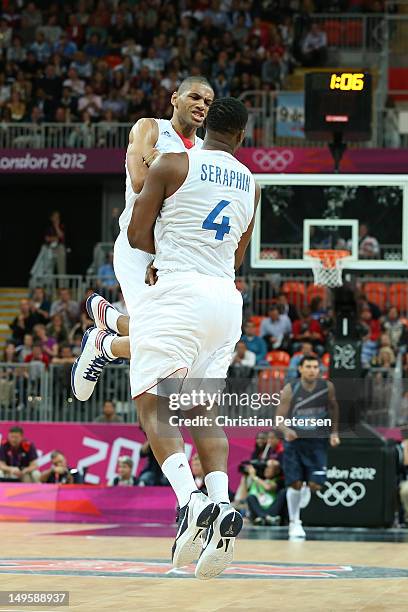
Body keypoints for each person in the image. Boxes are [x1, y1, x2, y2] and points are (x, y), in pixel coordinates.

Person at [73, 97, 259, 579]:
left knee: (155, 408)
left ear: (204, 128)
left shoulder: (175, 159)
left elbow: (137, 234)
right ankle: (221, 503)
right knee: (201, 410)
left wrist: (163, 253)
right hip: (225, 299)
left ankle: (190, 501)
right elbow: (237, 256)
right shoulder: (251, 183)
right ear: (240, 136)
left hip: (178, 291)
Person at [71, 76, 215, 401]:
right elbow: (139, 182)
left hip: (175, 255)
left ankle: (105, 336)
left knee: (180, 345)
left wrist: (160, 168)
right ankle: (103, 341)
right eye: (195, 97)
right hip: (138, 246)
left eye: (207, 102)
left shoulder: (207, 150)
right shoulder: (150, 128)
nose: (201, 106)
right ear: (175, 98)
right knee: (159, 344)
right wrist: (174, 179)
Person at [275, 355, 340, 540]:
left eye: (315, 366)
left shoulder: (327, 387)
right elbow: (279, 418)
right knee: (294, 483)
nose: (312, 369)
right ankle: (295, 522)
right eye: (308, 366)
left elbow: (334, 409)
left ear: (319, 370)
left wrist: (334, 433)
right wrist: (286, 430)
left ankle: (306, 487)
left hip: (317, 441)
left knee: (315, 485)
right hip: (295, 442)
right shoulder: (291, 389)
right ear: (301, 369)